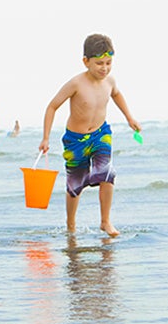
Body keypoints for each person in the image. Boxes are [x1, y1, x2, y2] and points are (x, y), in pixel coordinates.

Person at [39, 33, 141, 237]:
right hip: (75, 140)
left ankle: (105, 221)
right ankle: (71, 225)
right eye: (99, 63)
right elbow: (52, 106)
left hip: (101, 134)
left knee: (107, 174)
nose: (104, 68)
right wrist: (46, 137)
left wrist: (129, 117)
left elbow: (117, 94)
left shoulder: (109, 81)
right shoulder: (76, 83)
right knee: (75, 184)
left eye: (108, 62)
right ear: (86, 62)